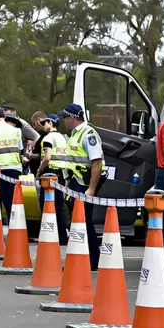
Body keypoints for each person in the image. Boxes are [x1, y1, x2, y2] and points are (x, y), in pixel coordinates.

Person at [59, 103, 108, 270]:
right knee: (78, 223)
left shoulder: (88, 134)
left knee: (84, 222)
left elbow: (97, 163)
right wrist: (67, 184)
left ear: (72, 118)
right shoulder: (74, 134)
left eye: (65, 118)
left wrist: (91, 189)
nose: (63, 121)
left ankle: (93, 259)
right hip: (74, 183)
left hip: (84, 184)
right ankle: (82, 258)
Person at [35, 114, 69, 245]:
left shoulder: (48, 138)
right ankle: (62, 236)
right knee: (59, 206)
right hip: (61, 173)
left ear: (51, 123)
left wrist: (39, 170)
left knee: (46, 204)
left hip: (50, 172)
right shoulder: (62, 138)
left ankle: (48, 235)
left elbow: (47, 157)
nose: (43, 126)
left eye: (45, 123)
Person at [2, 103, 40, 172]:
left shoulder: (22, 124)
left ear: (12, 112)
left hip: (20, 161)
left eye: (5, 110)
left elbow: (37, 137)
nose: (3, 114)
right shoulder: (2, 123)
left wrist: (30, 151)